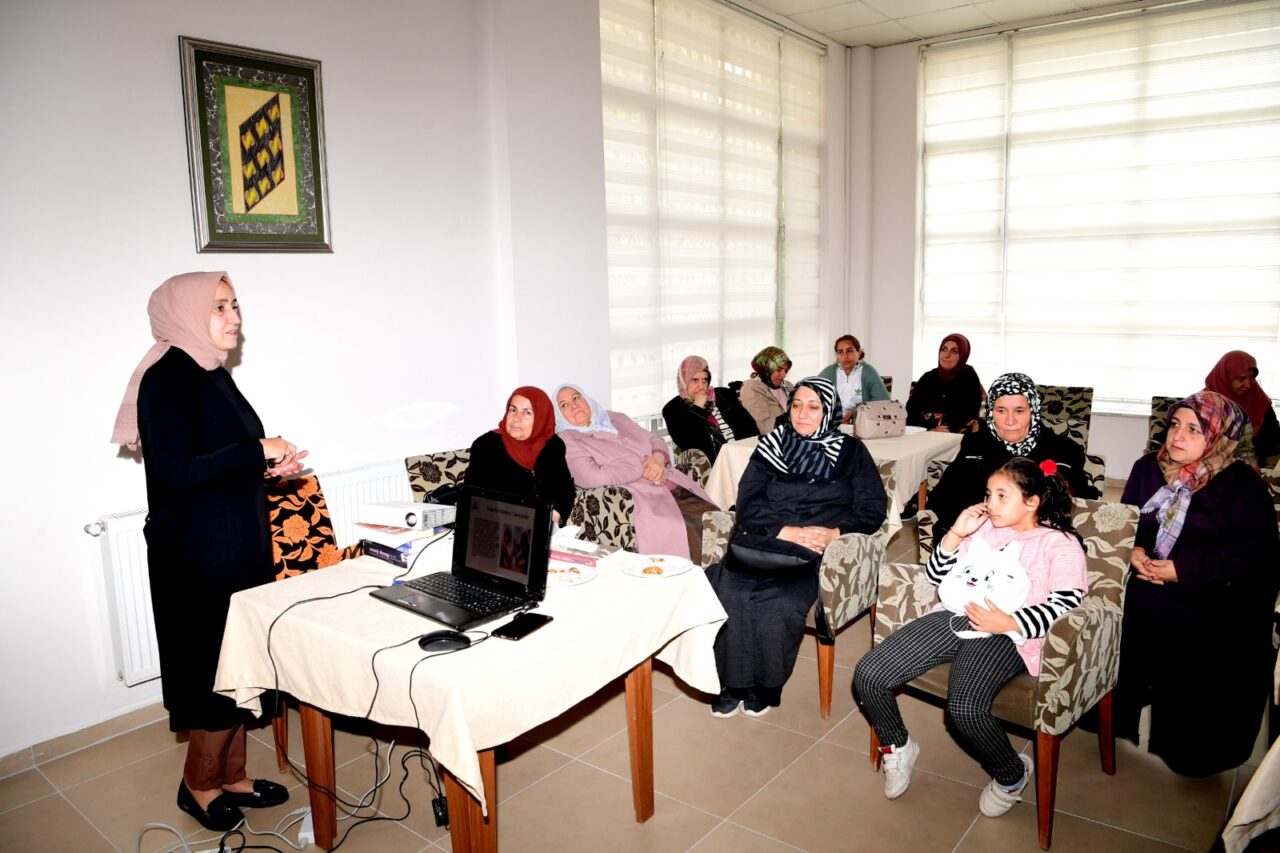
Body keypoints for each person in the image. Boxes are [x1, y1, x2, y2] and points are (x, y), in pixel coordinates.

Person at [111, 272, 293, 832]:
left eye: (235, 304)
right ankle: (199, 783)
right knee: (215, 672)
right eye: (219, 307)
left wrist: (267, 465)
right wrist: (254, 450)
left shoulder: (210, 372)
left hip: (232, 541)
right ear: (186, 313)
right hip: (196, 553)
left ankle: (232, 776)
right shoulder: (167, 378)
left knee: (241, 666)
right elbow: (174, 473)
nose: (234, 316)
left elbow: (224, 458)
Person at [854, 458, 1088, 816]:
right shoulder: (982, 529)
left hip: (1007, 635)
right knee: (868, 674)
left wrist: (1009, 622)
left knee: (964, 710)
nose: (990, 503)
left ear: (1032, 501)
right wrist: (956, 534)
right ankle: (898, 746)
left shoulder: (1059, 543)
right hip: (952, 615)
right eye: (988, 494)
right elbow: (935, 577)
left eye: (1001, 495)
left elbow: (1068, 602)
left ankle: (1011, 774)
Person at [1115, 391, 1278, 777]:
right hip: (1144, 581)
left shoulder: (1243, 486)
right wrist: (1134, 550)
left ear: (1220, 437)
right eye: (1174, 425)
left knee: (1196, 634)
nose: (1177, 437)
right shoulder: (1147, 469)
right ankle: (1113, 715)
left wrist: (1181, 570)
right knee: (1113, 611)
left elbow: (1255, 557)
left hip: (1211, 594)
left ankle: (1191, 745)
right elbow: (1126, 521)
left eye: (1193, 429)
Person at [708, 378, 886, 717]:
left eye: (814, 406)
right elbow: (747, 500)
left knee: (778, 602)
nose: (803, 414)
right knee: (729, 592)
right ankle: (732, 682)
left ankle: (765, 684)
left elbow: (872, 507)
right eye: (797, 405)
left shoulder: (851, 452)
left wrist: (837, 531)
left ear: (829, 412)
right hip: (763, 537)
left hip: (813, 551)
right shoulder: (772, 444)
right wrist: (783, 530)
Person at [555, 384, 718, 561]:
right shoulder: (568, 440)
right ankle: (703, 582)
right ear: (559, 415)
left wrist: (657, 458)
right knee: (691, 529)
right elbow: (591, 477)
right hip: (644, 500)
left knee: (717, 520)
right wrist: (643, 465)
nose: (573, 405)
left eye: (576, 397)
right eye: (563, 405)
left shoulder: (615, 418)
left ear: (586, 399)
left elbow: (654, 439)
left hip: (675, 485)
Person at [928, 372, 1097, 537]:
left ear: (1034, 411)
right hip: (978, 539)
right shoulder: (975, 445)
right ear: (990, 413)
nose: (1010, 421)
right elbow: (942, 498)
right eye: (1001, 410)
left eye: (1019, 411)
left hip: (1039, 541)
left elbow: (1078, 504)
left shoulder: (1064, 451)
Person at [466, 387, 576, 524]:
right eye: (513, 410)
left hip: (544, 530)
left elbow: (565, 490)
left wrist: (555, 515)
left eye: (527, 412)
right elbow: (475, 499)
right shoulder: (486, 446)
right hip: (497, 528)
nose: (516, 419)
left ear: (541, 417)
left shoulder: (553, 445)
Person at [661, 355, 759, 462]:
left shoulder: (724, 395)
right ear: (683, 381)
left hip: (744, 456)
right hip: (717, 465)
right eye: (695, 380)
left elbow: (751, 427)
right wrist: (697, 408)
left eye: (704, 380)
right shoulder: (672, 409)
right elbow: (690, 444)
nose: (701, 386)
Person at [1204, 350, 1279, 469]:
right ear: (1225, 377)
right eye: (1241, 379)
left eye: (1252, 378)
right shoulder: (1202, 403)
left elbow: (1273, 436)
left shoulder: (1259, 399)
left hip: (1254, 465)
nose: (1248, 385)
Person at [905, 333, 985, 433]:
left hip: (955, 437)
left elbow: (968, 414)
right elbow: (910, 411)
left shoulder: (968, 377)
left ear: (963, 355)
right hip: (923, 434)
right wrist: (930, 430)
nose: (947, 355)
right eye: (944, 349)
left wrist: (944, 430)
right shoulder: (928, 377)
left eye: (955, 351)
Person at [817, 334, 891, 421]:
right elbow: (812, 399)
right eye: (840, 352)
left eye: (849, 351)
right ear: (837, 355)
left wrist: (855, 412)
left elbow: (883, 402)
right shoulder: (828, 373)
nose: (845, 356)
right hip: (831, 423)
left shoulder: (869, 372)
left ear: (859, 353)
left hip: (861, 424)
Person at [740, 346, 794, 434]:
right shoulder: (752, 387)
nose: (784, 375)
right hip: (774, 440)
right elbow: (764, 427)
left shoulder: (788, 385)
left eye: (786, 370)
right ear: (766, 369)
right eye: (779, 370)